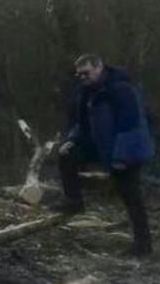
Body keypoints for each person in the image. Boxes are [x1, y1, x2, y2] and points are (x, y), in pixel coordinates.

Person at [55, 54, 154, 256]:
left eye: (86, 73)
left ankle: (143, 245)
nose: (82, 78)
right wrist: (72, 140)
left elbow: (131, 124)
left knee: (131, 196)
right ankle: (74, 202)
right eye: (79, 74)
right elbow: (82, 124)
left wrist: (121, 157)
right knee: (66, 156)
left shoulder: (121, 89)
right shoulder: (86, 92)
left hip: (127, 148)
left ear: (99, 67)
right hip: (101, 145)